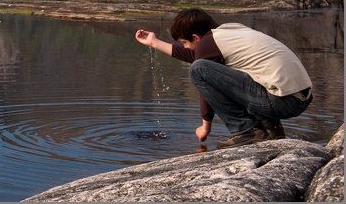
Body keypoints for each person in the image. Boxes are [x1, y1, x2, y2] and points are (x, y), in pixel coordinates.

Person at [134, 8, 313, 148]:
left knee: (198, 70)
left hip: (281, 102)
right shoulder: (228, 33)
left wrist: (206, 126)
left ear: (196, 37)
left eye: (185, 43)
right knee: (205, 67)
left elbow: (200, 69)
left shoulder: (209, 43)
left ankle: (245, 132)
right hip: (298, 98)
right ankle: (271, 130)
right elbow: (195, 56)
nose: (186, 47)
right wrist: (154, 43)